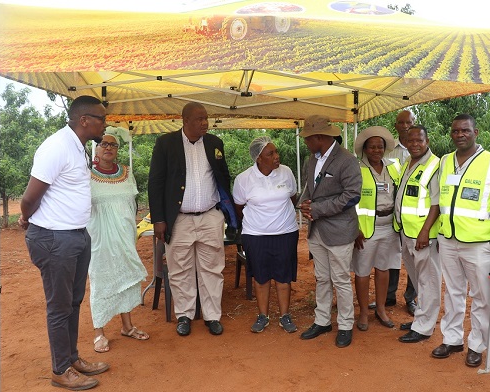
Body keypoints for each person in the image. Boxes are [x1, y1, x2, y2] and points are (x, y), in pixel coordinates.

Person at [19, 95, 110, 390]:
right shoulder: (56, 147)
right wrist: (25, 218)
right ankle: (60, 370)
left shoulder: (78, 147)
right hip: (55, 238)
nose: (105, 124)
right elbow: (30, 197)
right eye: (101, 118)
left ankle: (71, 358)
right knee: (59, 306)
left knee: (73, 302)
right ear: (84, 120)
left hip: (75, 235)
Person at [148, 102, 237, 337]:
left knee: (212, 268)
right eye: (199, 119)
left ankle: (212, 316)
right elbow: (155, 183)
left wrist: (225, 209)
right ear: (185, 120)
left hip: (210, 216)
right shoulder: (166, 144)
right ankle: (185, 315)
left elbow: (223, 176)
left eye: (206, 118)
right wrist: (158, 218)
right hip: (180, 219)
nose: (204, 123)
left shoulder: (215, 143)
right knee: (180, 268)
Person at [432, 114, 490, 367]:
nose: (459, 135)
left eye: (465, 130)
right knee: (453, 291)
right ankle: (452, 339)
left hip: (479, 242)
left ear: (476, 132)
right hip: (448, 238)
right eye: (455, 131)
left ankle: (477, 344)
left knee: (482, 296)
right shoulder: (444, 161)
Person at [298, 114, 362, 348]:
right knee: (322, 278)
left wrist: (317, 209)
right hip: (317, 230)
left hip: (339, 231)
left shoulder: (347, 160)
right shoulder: (312, 160)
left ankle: (345, 325)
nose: (305, 142)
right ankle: (322, 320)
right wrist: (304, 205)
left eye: (307, 138)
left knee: (341, 280)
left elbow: (352, 195)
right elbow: (310, 189)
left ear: (319, 137)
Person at [87, 128, 149, 353]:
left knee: (125, 277)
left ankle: (127, 326)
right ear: (97, 147)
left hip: (124, 234)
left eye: (113, 145)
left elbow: (130, 205)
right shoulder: (87, 174)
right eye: (104, 144)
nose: (108, 148)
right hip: (99, 237)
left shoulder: (126, 172)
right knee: (101, 279)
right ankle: (99, 332)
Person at [233, 136, 299, 333]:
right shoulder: (244, 179)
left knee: (283, 276)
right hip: (255, 235)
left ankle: (285, 316)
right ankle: (263, 315)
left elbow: (293, 197)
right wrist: (258, 224)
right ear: (258, 158)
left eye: (276, 152)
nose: (276, 156)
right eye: (270, 153)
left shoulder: (286, 172)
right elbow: (238, 208)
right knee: (261, 277)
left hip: (286, 232)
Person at [394, 125, 441, 343]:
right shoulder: (408, 163)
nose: (414, 144)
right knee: (418, 280)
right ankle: (420, 319)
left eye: (419, 140)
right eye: (410, 140)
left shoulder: (434, 165)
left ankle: (423, 327)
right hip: (406, 233)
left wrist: (424, 231)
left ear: (427, 141)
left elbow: (436, 203)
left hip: (423, 236)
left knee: (428, 281)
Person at [352, 126, 400, 331]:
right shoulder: (356, 169)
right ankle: (363, 311)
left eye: (380, 147)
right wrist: (354, 228)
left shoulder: (394, 167)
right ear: (365, 149)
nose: (376, 150)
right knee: (362, 271)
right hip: (365, 229)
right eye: (371, 147)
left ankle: (380, 308)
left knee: (384, 268)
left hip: (389, 226)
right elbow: (349, 200)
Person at [383, 109, 418, 316]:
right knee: (392, 256)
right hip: (392, 215)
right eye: (401, 123)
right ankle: (388, 295)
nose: (405, 126)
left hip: (414, 219)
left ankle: (411, 298)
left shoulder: (422, 150)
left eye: (409, 122)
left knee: (413, 260)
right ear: (396, 126)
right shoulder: (389, 152)